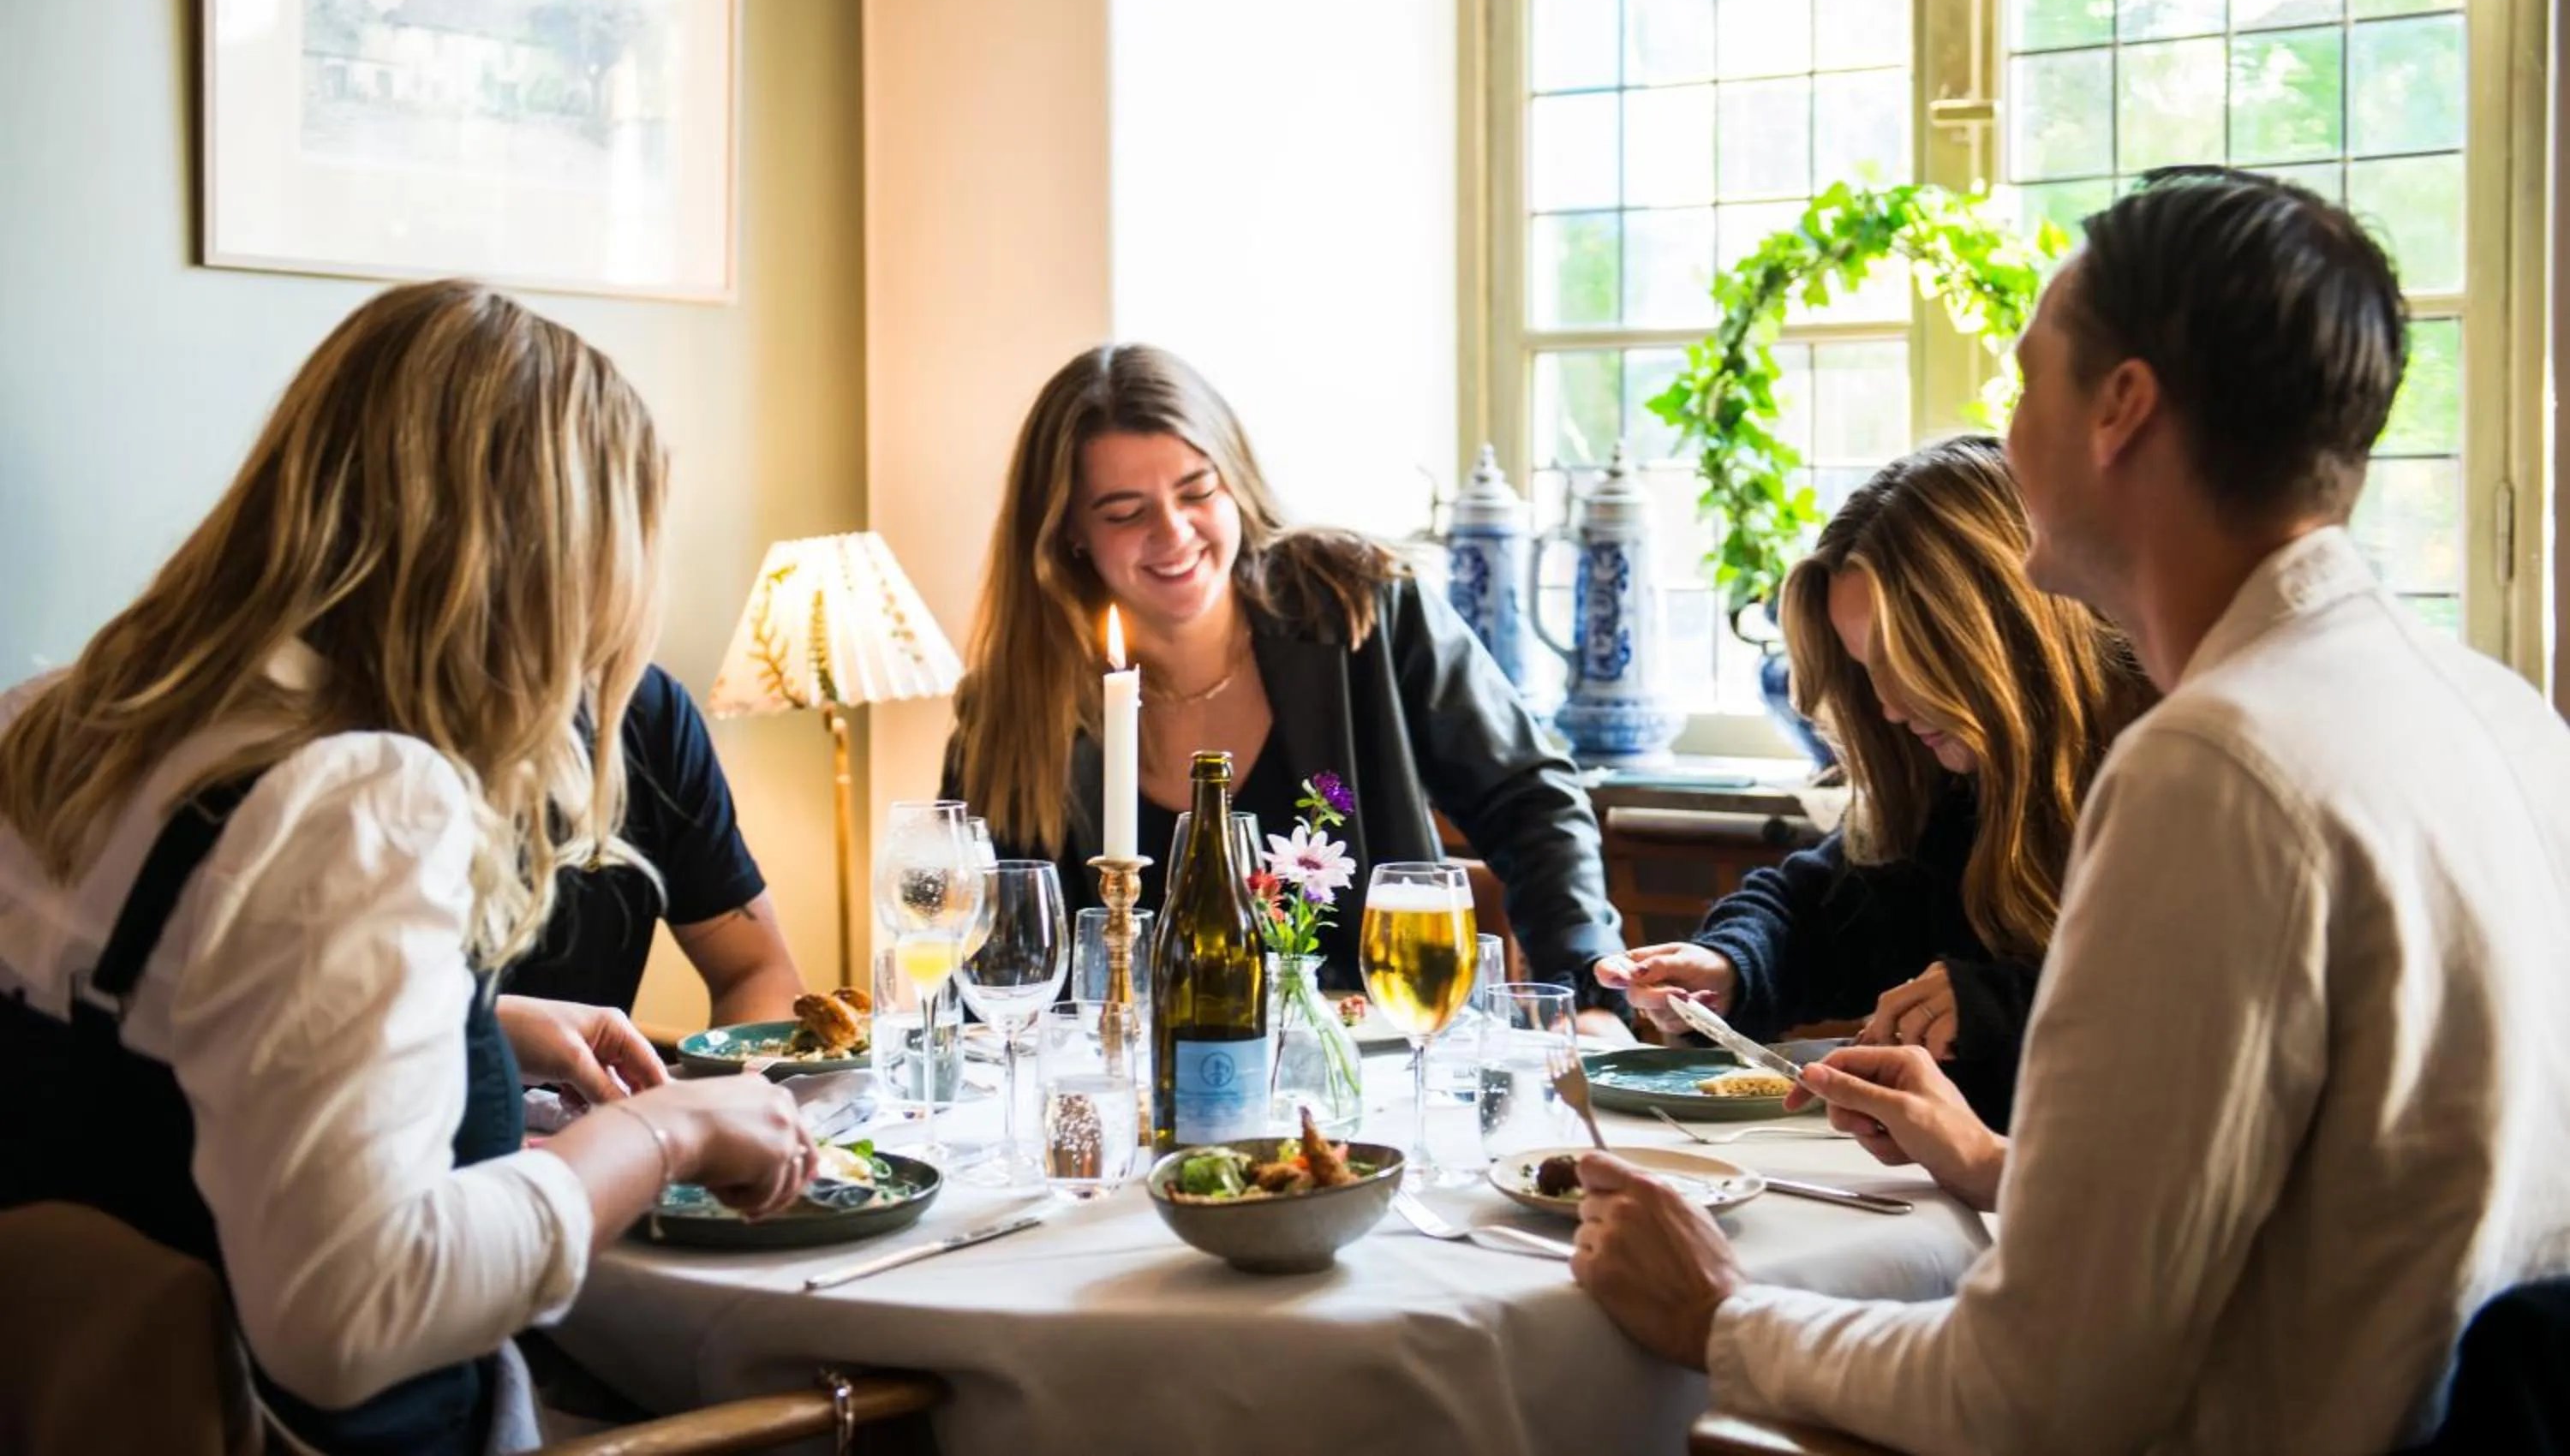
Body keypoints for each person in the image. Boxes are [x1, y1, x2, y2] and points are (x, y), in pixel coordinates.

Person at [1569, 169, 2570, 1454]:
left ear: (2121, 408)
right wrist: (1996, 1169)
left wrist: (1722, 1314)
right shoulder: (2504, 714)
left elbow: (2035, 1394)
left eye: (2022, 382)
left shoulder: (2213, 767)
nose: (2004, 427)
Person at [0, 282, 817, 1455]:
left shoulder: (63, 725)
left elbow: (185, 1022)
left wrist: (486, 1024)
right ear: (543, 571)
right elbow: (353, 1311)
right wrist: (666, 1135)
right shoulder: (362, 802)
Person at [944, 342, 1629, 1026]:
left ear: (1235, 480)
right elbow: (978, 953)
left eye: (1197, 491)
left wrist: (1590, 990)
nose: (1174, 532)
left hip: (1380, 1071)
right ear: (1068, 531)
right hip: (1126, 1098)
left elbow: (1531, 799)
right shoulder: (1011, 709)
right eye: (1125, 512)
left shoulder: (1359, 607)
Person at [1594, 434, 2153, 1126]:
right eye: (1866, 667)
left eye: (1903, 659)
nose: (1886, 706)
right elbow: (1813, 909)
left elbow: (2193, 1013)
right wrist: (1728, 965)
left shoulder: (2171, 767)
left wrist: (2004, 1005)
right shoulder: (1950, 785)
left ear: (1998, 636)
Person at [505, 662, 804, 1027]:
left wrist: (740, 1080)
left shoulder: (650, 711)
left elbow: (756, 972)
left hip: (602, 1086)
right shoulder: (417, 751)